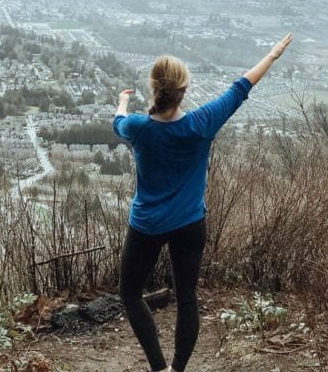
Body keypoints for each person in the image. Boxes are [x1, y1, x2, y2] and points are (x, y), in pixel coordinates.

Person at [113, 33, 293, 372]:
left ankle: (159, 367)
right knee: (186, 298)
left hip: (147, 225)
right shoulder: (201, 124)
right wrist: (271, 55)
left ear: (154, 87)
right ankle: (177, 369)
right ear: (183, 90)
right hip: (189, 225)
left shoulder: (138, 128)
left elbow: (118, 123)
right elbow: (240, 88)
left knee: (131, 293)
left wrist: (122, 102)